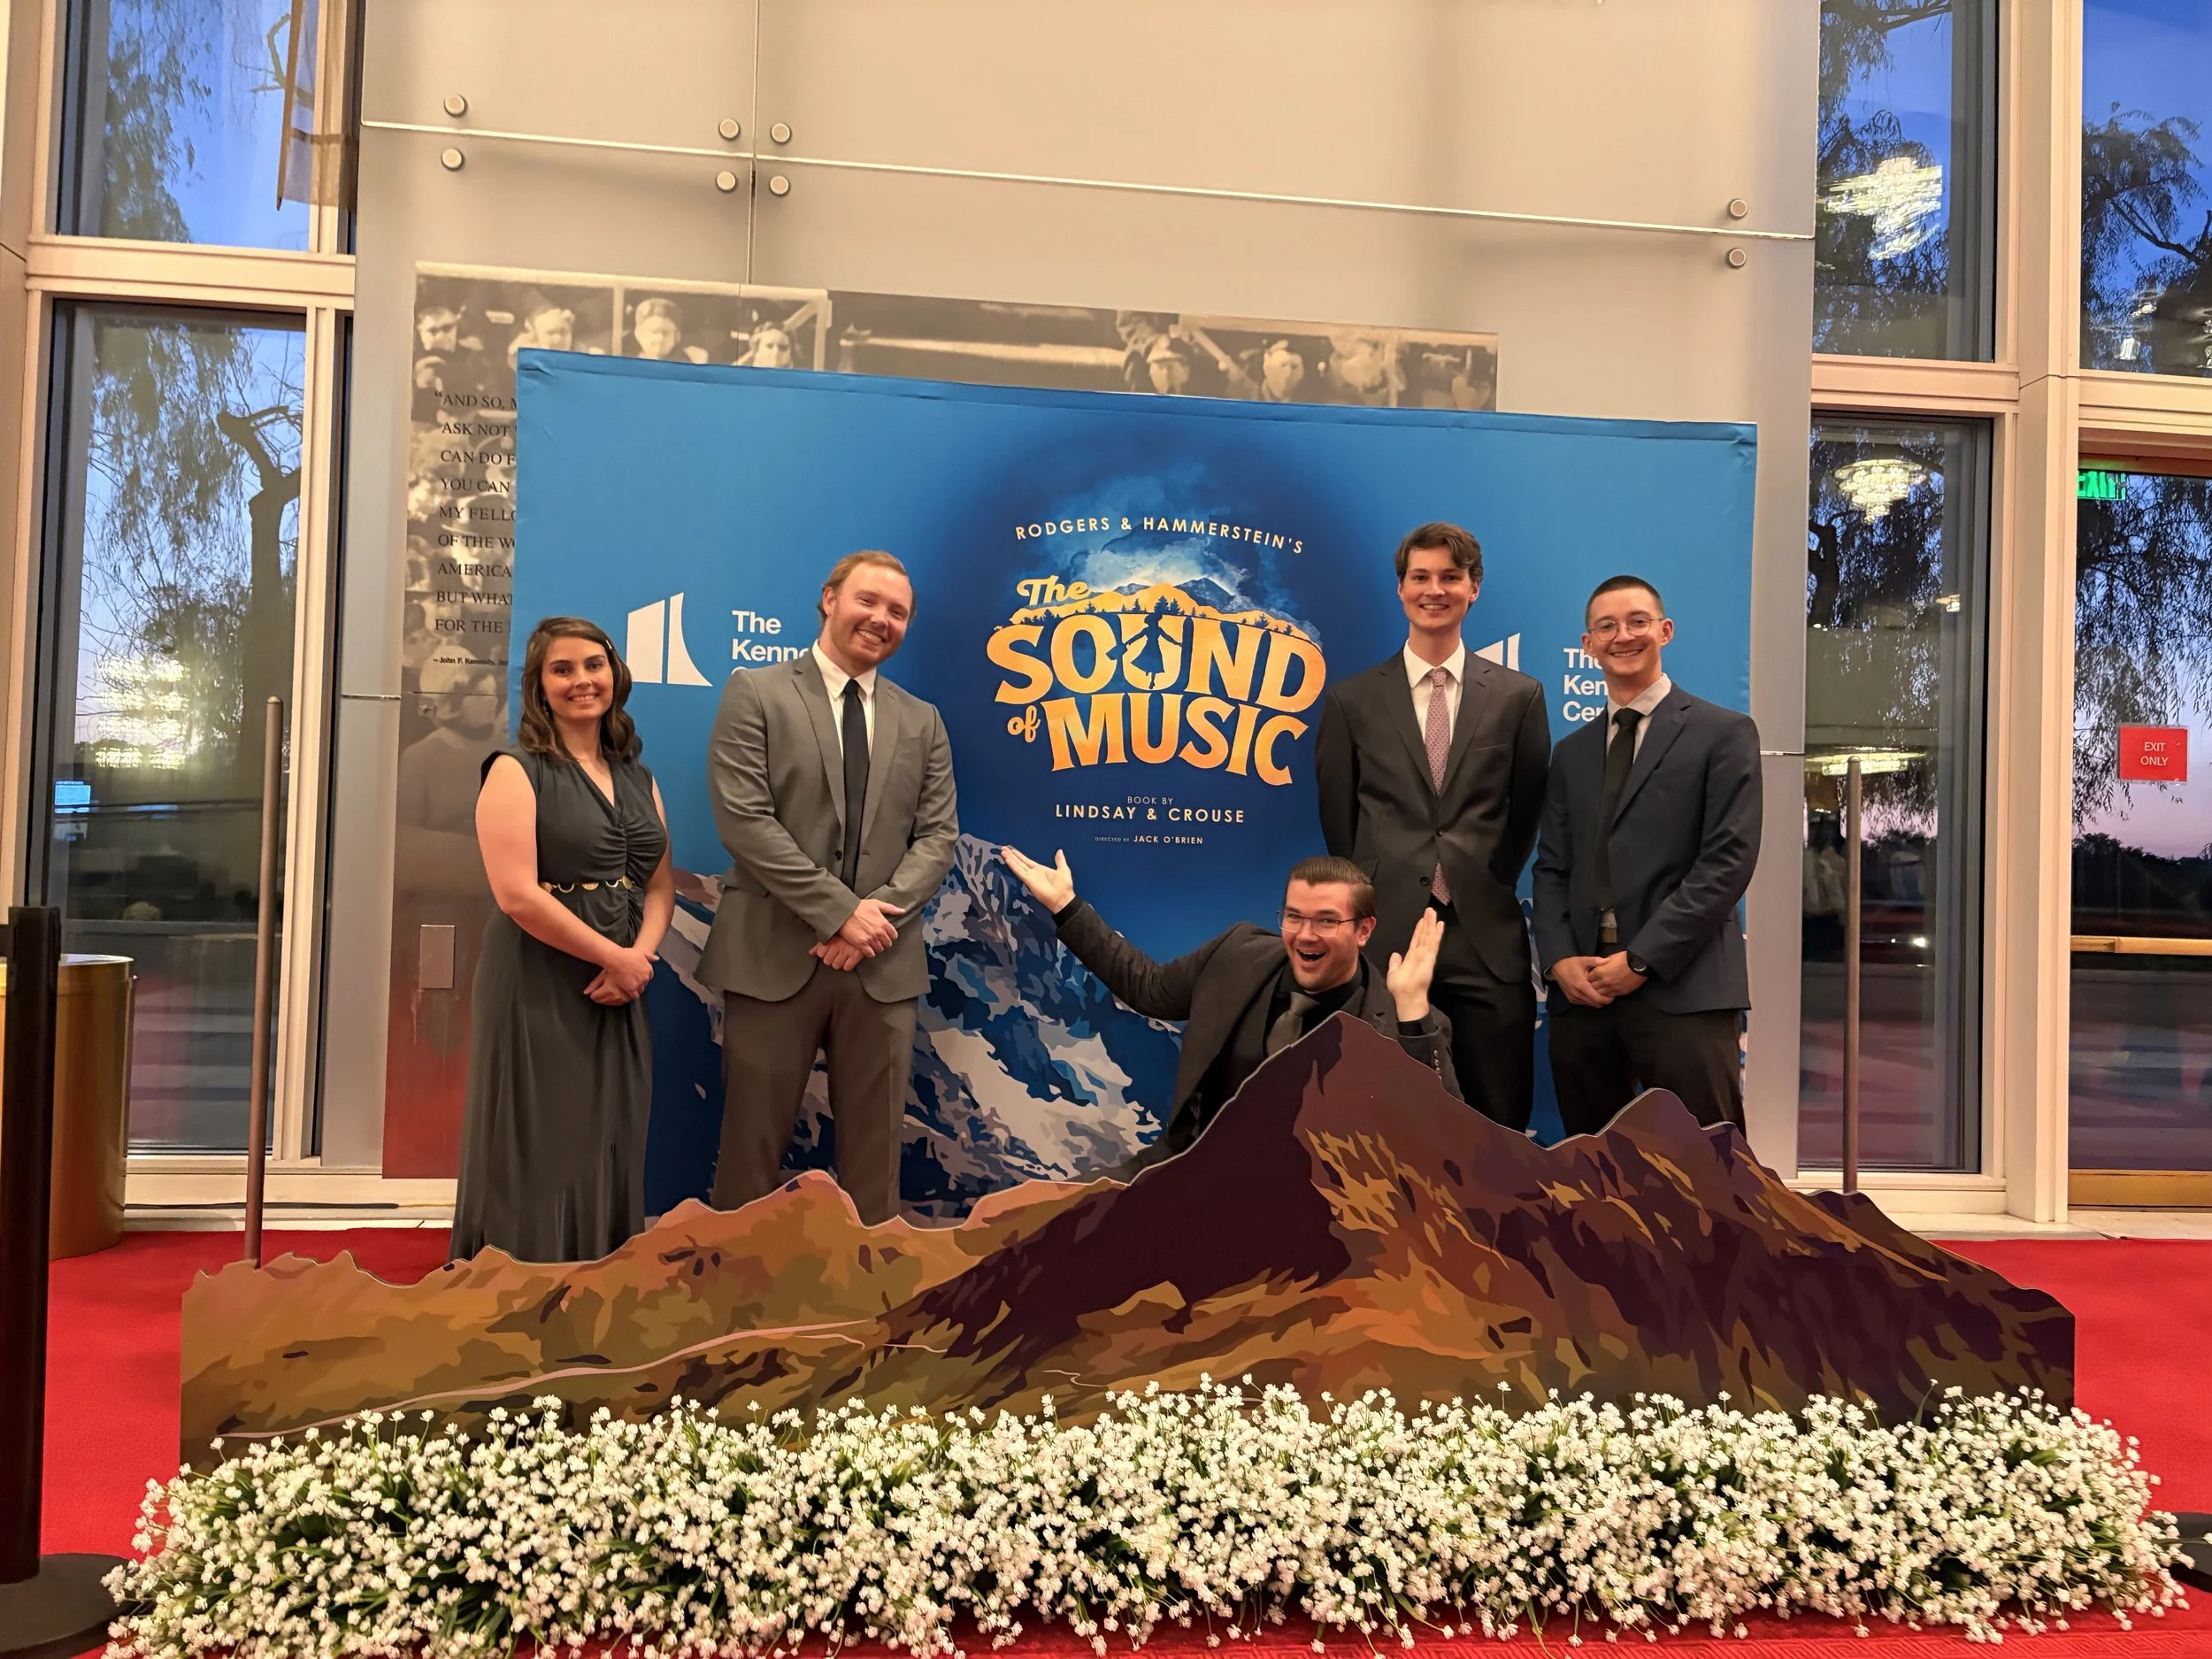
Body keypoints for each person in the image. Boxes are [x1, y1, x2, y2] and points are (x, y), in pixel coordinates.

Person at [699, 550, 958, 1223]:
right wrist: (841, 914)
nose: (881, 619)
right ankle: (737, 1287)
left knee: (875, 1167)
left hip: (881, 966)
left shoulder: (923, 721)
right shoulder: (755, 692)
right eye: (868, 601)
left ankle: (871, 1288)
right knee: (749, 1156)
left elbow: (938, 837)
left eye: (898, 611)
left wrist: (871, 925)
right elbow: (744, 821)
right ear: (829, 599)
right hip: (771, 958)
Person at [999, 848, 1455, 1171]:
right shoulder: (1238, 953)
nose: (1305, 934)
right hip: (1191, 1168)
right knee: (1040, 1227)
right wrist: (1066, 906)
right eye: (1294, 916)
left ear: (1364, 930)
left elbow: (1439, 1146)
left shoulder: (1404, 1021)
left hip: (1318, 1212)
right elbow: (1149, 988)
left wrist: (1414, 1010)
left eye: (1326, 921)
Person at [453, 617, 674, 1263]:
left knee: (609, 1133)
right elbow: (516, 895)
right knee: (541, 1140)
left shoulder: (639, 776)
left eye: (593, 665)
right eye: (563, 669)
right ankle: (523, 1290)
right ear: (538, 685)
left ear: (615, 675)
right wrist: (615, 958)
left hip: (621, 984)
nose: (582, 680)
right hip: (539, 978)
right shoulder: (514, 770)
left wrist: (637, 961)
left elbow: (660, 886)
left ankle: (598, 1284)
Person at [1315, 521, 1549, 1130]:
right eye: (1420, 576)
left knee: (1497, 1117)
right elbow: (1340, 827)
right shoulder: (1352, 701)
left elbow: (1525, 814)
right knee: (1380, 1118)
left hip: (1484, 938)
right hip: (1385, 935)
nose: (1435, 589)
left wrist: (1484, 879)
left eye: (1451, 577)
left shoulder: (1519, 697)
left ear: (1474, 588)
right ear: (1401, 588)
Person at [1531, 575, 1762, 1135]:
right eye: (1606, 626)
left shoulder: (1723, 733)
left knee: (1707, 1166)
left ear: (1665, 631)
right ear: (1588, 645)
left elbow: (1727, 861)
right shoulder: (1571, 753)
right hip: (1584, 993)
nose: (1623, 636)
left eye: (1638, 621)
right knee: (1592, 1168)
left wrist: (1641, 960)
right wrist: (1558, 961)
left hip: (1683, 985)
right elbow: (1552, 866)